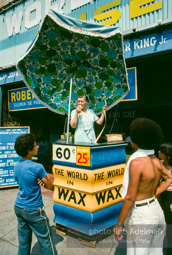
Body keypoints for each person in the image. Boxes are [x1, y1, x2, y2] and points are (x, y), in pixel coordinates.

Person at [113, 118, 172, 255]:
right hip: (157, 211)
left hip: (142, 215)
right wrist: (154, 192)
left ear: (136, 140)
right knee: (156, 252)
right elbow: (169, 178)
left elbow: (129, 198)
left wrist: (119, 224)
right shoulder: (156, 161)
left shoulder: (137, 163)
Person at [14, 134, 56, 255]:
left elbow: (22, 181)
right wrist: (43, 182)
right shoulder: (38, 167)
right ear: (28, 150)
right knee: (45, 240)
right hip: (34, 210)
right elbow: (49, 186)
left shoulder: (16, 166)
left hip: (19, 208)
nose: (38, 146)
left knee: (23, 242)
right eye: (35, 145)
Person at [158, 142, 172, 255]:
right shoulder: (159, 163)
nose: (158, 152)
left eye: (161, 151)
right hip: (159, 196)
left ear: (168, 155)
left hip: (170, 198)